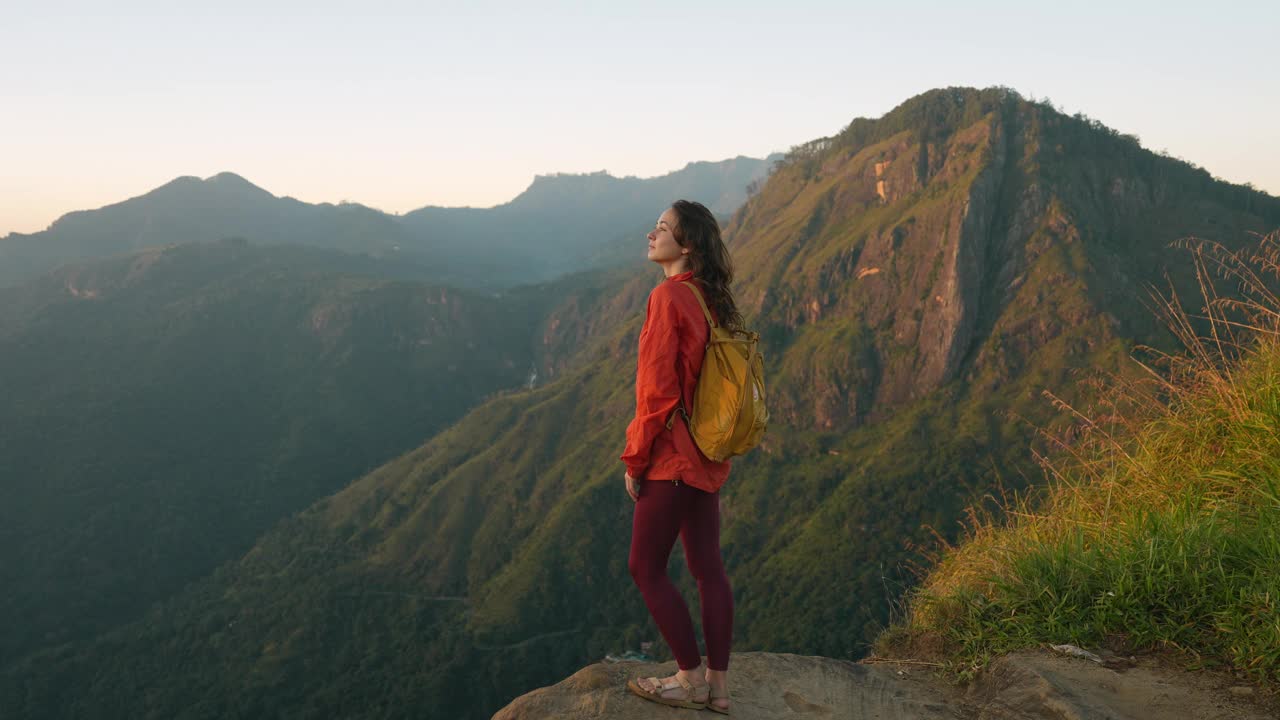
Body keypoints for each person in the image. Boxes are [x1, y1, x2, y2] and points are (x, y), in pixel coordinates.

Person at [620, 200, 744, 714]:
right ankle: (718, 688)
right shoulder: (712, 298)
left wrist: (634, 459)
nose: (652, 234)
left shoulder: (668, 298)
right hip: (708, 456)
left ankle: (688, 679)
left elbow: (657, 393)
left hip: (671, 458)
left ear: (686, 244)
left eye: (663, 228)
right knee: (707, 568)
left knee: (645, 567)